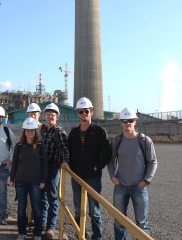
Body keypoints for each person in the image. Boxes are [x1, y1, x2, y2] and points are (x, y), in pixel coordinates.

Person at [108, 107, 158, 240]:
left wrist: (146, 181)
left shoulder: (145, 141)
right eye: (124, 120)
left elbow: (153, 162)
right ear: (120, 123)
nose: (127, 123)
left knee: (142, 223)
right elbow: (111, 161)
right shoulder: (116, 141)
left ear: (135, 122)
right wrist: (113, 176)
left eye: (130, 120)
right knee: (119, 221)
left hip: (139, 187)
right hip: (121, 186)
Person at [67, 97, 111, 240]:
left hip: (93, 177)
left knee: (94, 210)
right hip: (77, 177)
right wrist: (68, 165)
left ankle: (97, 237)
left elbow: (106, 152)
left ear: (91, 112)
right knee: (79, 209)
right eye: (80, 111)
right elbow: (68, 151)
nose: (83, 114)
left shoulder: (99, 132)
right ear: (78, 113)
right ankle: (81, 235)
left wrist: (97, 166)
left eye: (86, 111)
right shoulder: (73, 133)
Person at [10, 117, 48, 240]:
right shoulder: (19, 146)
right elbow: (14, 163)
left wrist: (43, 180)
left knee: (36, 207)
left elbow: (45, 165)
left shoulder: (41, 146)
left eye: (32, 130)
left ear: (35, 131)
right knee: (21, 207)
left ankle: (37, 234)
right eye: (27, 130)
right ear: (24, 131)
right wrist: (12, 178)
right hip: (20, 181)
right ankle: (22, 232)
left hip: (36, 182)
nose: (30, 132)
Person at [40, 103, 69, 240]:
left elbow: (65, 149)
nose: (50, 116)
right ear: (44, 116)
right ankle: (43, 223)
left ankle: (51, 228)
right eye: (48, 114)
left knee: (52, 196)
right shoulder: (44, 130)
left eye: (53, 114)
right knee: (42, 196)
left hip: (53, 167)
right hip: (42, 167)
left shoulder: (60, 132)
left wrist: (65, 162)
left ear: (57, 117)